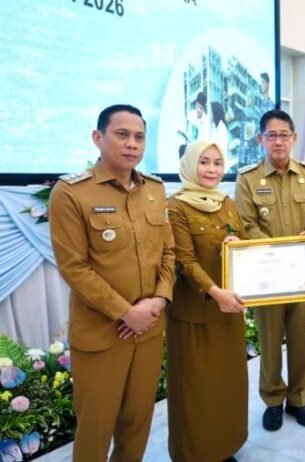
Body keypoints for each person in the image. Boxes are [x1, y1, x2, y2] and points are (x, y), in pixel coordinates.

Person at [49, 104, 175, 461]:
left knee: (138, 420)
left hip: (148, 329)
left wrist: (158, 301)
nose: (132, 144)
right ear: (98, 137)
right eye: (122, 134)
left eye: (139, 137)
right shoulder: (72, 193)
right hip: (102, 334)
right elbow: (74, 268)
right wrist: (125, 312)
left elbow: (168, 253)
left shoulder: (154, 189)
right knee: (96, 427)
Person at [235, 109, 305, 431]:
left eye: (284, 135)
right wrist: (278, 255)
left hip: (302, 273)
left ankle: (298, 399)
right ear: (261, 139)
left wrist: (297, 252)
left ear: (294, 138)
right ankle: (273, 400)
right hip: (267, 275)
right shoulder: (248, 179)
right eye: (271, 135)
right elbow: (247, 225)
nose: (278, 141)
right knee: (270, 340)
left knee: (301, 339)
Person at [166, 140, 248, 462]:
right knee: (196, 390)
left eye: (217, 162)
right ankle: (195, 454)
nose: (212, 169)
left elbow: (243, 242)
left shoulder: (227, 203)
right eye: (204, 162)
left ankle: (224, 448)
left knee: (227, 385)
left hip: (229, 312)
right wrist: (215, 292)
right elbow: (184, 261)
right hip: (194, 315)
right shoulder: (176, 207)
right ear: (189, 164)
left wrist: (237, 243)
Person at [210, 101, 230, 166]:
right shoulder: (215, 126)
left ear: (215, 113)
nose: (209, 115)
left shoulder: (221, 129)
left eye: (210, 112)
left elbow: (221, 150)